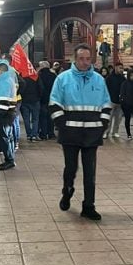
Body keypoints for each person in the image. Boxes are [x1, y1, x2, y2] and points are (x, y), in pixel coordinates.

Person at [49, 43, 112, 221]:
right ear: (75, 59)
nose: (85, 62)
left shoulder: (99, 80)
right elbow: (54, 103)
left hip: (92, 133)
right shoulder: (63, 79)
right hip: (70, 133)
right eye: (81, 59)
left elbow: (106, 104)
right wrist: (62, 124)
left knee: (90, 172)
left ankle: (88, 206)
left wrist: (103, 124)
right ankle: (67, 191)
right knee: (71, 168)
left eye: (88, 59)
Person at [0, 60, 17, 170]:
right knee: (8, 136)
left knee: (4, 137)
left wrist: (0, 113)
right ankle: (10, 158)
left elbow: (4, 100)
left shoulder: (4, 81)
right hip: (10, 112)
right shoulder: (9, 80)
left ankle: (9, 160)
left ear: (1, 70)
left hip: (5, 113)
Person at [103, 62, 125, 138]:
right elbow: (105, 89)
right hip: (111, 101)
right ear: (115, 67)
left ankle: (115, 132)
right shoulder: (109, 78)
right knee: (109, 118)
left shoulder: (123, 78)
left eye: (122, 68)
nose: (121, 70)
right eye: (120, 68)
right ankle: (106, 132)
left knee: (118, 119)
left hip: (120, 102)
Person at [20, 70, 43, 142]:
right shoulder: (35, 76)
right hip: (35, 100)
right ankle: (34, 135)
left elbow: (20, 87)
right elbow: (41, 87)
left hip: (25, 100)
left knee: (26, 119)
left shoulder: (22, 76)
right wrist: (39, 97)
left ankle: (29, 134)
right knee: (35, 119)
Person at [37, 61, 57, 140]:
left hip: (42, 100)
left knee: (43, 117)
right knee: (51, 117)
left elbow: (39, 88)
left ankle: (44, 134)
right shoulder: (53, 76)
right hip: (52, 99)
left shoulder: (39, 76)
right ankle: (51, 133)